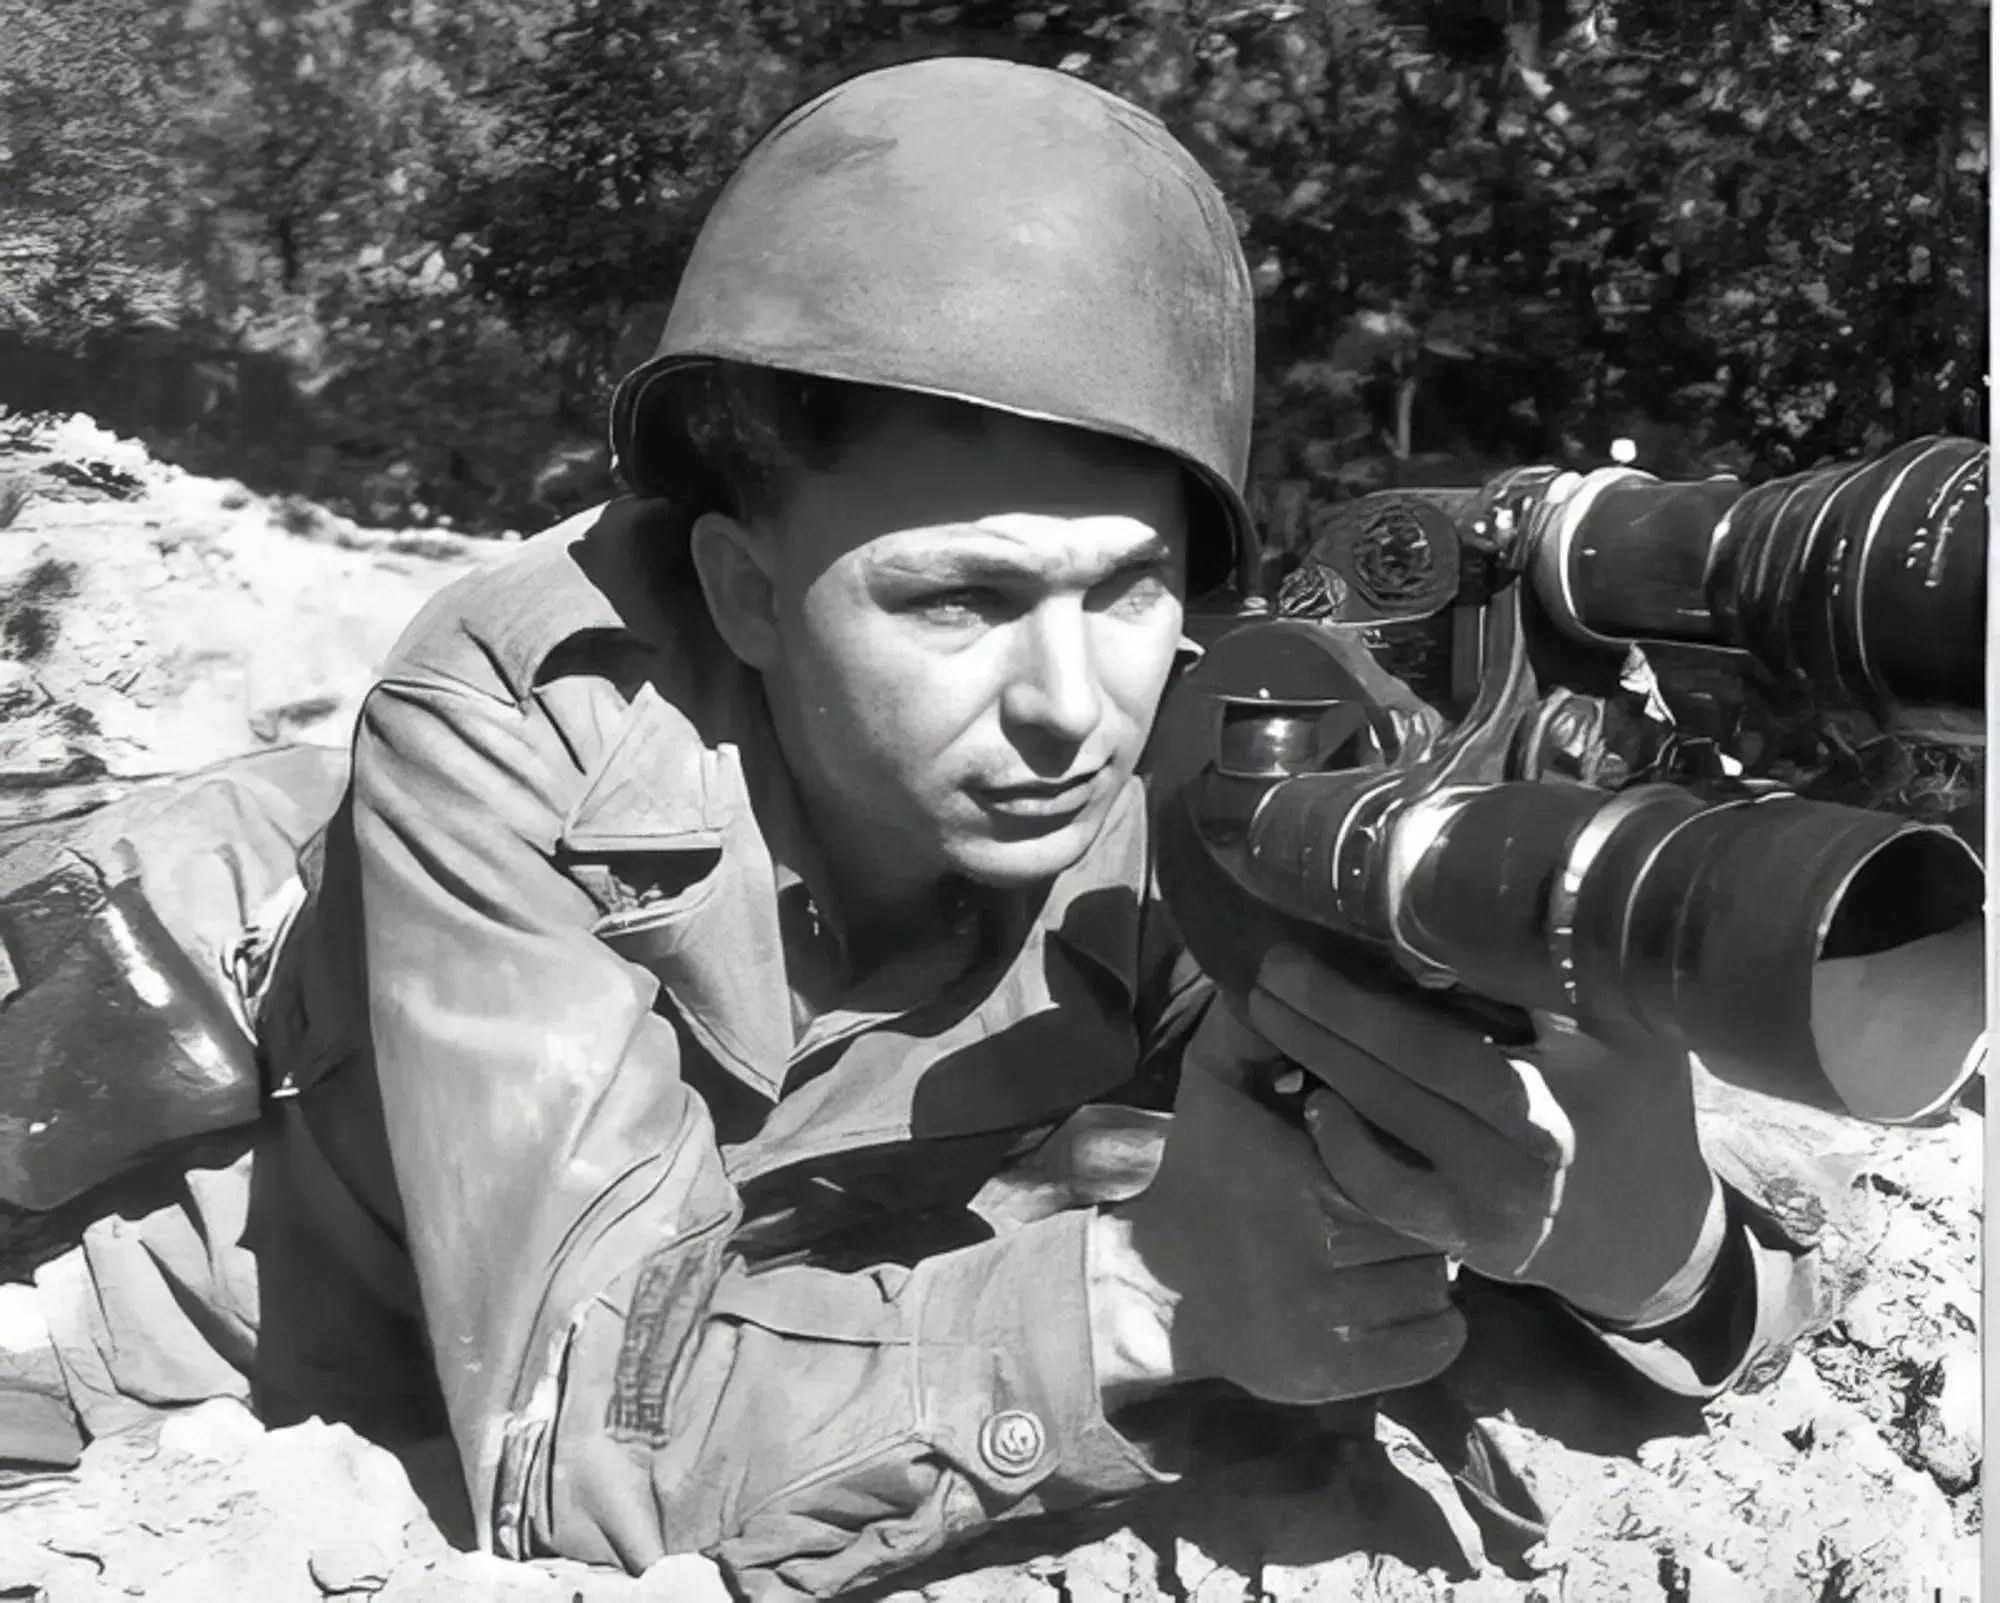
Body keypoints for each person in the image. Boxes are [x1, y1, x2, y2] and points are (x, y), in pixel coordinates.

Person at [0, 56, 1819, 1601]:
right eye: (955, 602)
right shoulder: (516, 722)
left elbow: (1706, 1282)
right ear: (748, 587)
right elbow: (572, 1463)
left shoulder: (1199, 778)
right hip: (131, 1292)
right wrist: (1144, 1292)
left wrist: (1634, 1232)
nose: (1066, 703)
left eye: (1127, 590)